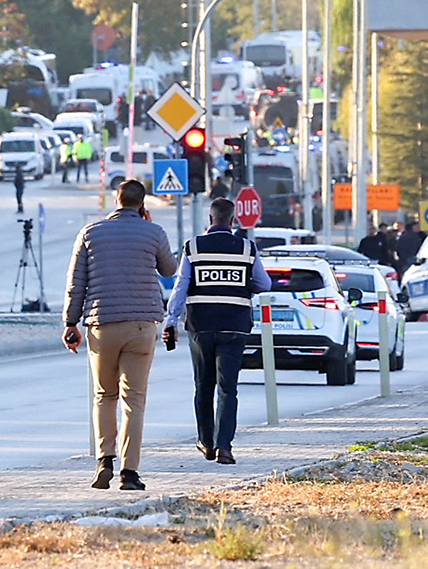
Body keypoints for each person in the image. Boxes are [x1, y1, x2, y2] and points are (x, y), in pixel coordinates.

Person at [61, 177, 181, 491]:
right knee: (134, 401)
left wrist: (71, 323)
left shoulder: (90, 233)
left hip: (102, 325)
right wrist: (150, 230)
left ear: (116, 200)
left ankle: (104, 461)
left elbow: (77, 283)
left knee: (104, 396)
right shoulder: (153, 232)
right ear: (142, 205)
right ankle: (130, 473)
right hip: (142, 326)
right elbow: (169, 270)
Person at [166, 195, 272, 466]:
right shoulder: (246, 248)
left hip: (201, 326)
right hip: (235, 326)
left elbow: (180, 287)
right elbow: (264, 284)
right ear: (233, 220)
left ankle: (206, 441)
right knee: (228, 389)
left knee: (203, 385)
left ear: (210, 221)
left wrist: (171, 321)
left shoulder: (193, 247)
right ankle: (225, 446)